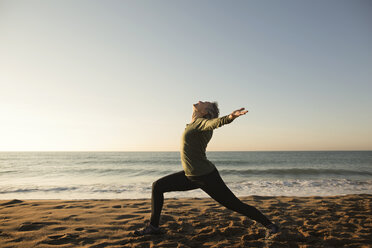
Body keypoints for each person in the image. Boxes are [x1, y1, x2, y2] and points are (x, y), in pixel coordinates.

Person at [134, 101, 279, 237]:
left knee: (234, 204)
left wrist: (230, 117)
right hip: (190, 176)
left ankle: (270, 225)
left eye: (205, 103)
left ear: (205, 112)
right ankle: (153, 227)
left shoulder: (201, 123)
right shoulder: (195, 124)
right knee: (158, 186)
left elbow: (215, 123)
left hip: (206, 176)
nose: (200, 101)